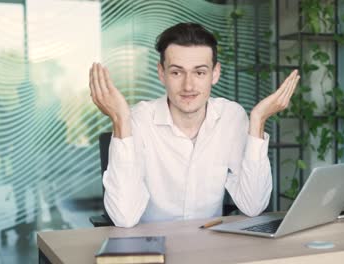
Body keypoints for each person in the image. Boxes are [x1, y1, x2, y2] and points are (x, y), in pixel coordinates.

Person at [89, 22, 300, 227]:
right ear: (161, 73)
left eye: (199, 72)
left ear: (214, 73)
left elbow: (253, 206)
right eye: (176, 72)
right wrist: (120, 120)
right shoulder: (138, 120)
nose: (188, 85)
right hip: (151, 249)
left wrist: (258, 120)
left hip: (210, 247)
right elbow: (123, 218)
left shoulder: (231, 116)